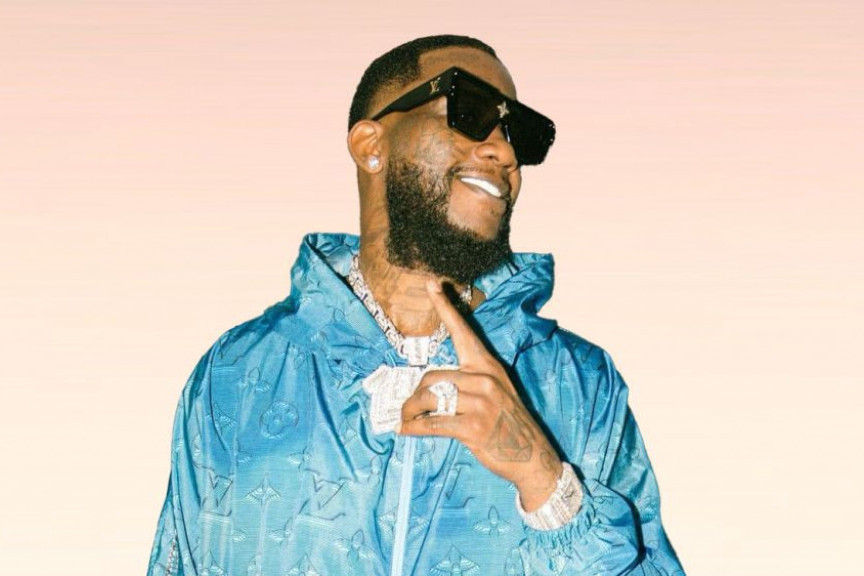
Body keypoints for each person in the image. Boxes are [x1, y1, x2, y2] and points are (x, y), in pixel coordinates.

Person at [147, 35, 684, 576]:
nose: (505, 153)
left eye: (518, 134)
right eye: (469, 110)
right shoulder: (238, 373)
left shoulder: (579, 384)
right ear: (370, 144)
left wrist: (544, 480)